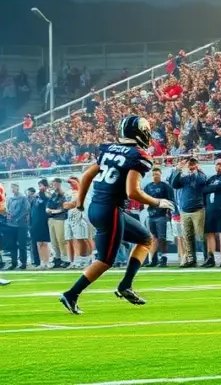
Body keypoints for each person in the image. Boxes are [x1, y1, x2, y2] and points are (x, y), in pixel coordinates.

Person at [59, 115, 174, 315]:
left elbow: (86, 176)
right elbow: (133, 192)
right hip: (110, 209)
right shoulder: (139, 156)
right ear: (141, 133)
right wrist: (157, 202)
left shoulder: (109, 149)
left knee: (145, 239)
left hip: (96, 206)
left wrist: (79, 203)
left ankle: (126, 285)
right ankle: (71, 294)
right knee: (105, 260)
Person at [142, 167, 174, 267]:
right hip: (151, 215)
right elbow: (144, 200)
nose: (155, 176)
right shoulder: (148, 187)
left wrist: (163, 205)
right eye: (154, 174)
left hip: (162, 215)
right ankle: (154, 259)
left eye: (157, 174)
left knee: (162, 238)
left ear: (160, 175)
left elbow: (171, 201)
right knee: (153, 238)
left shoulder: (165, 186)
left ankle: (164, 258)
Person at [5, 183, 29, 270]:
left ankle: (23, 263)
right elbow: (6, 210)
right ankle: (13, 263)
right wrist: (8, 215)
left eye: (14, 188)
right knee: (12, 245)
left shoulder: (23, 198)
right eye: (11, 188)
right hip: (11, 224)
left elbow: (27, 210)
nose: (12, 189)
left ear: (17, 188)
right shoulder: (9, 199)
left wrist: (18, 218)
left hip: (21, 224)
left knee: (22, 244)